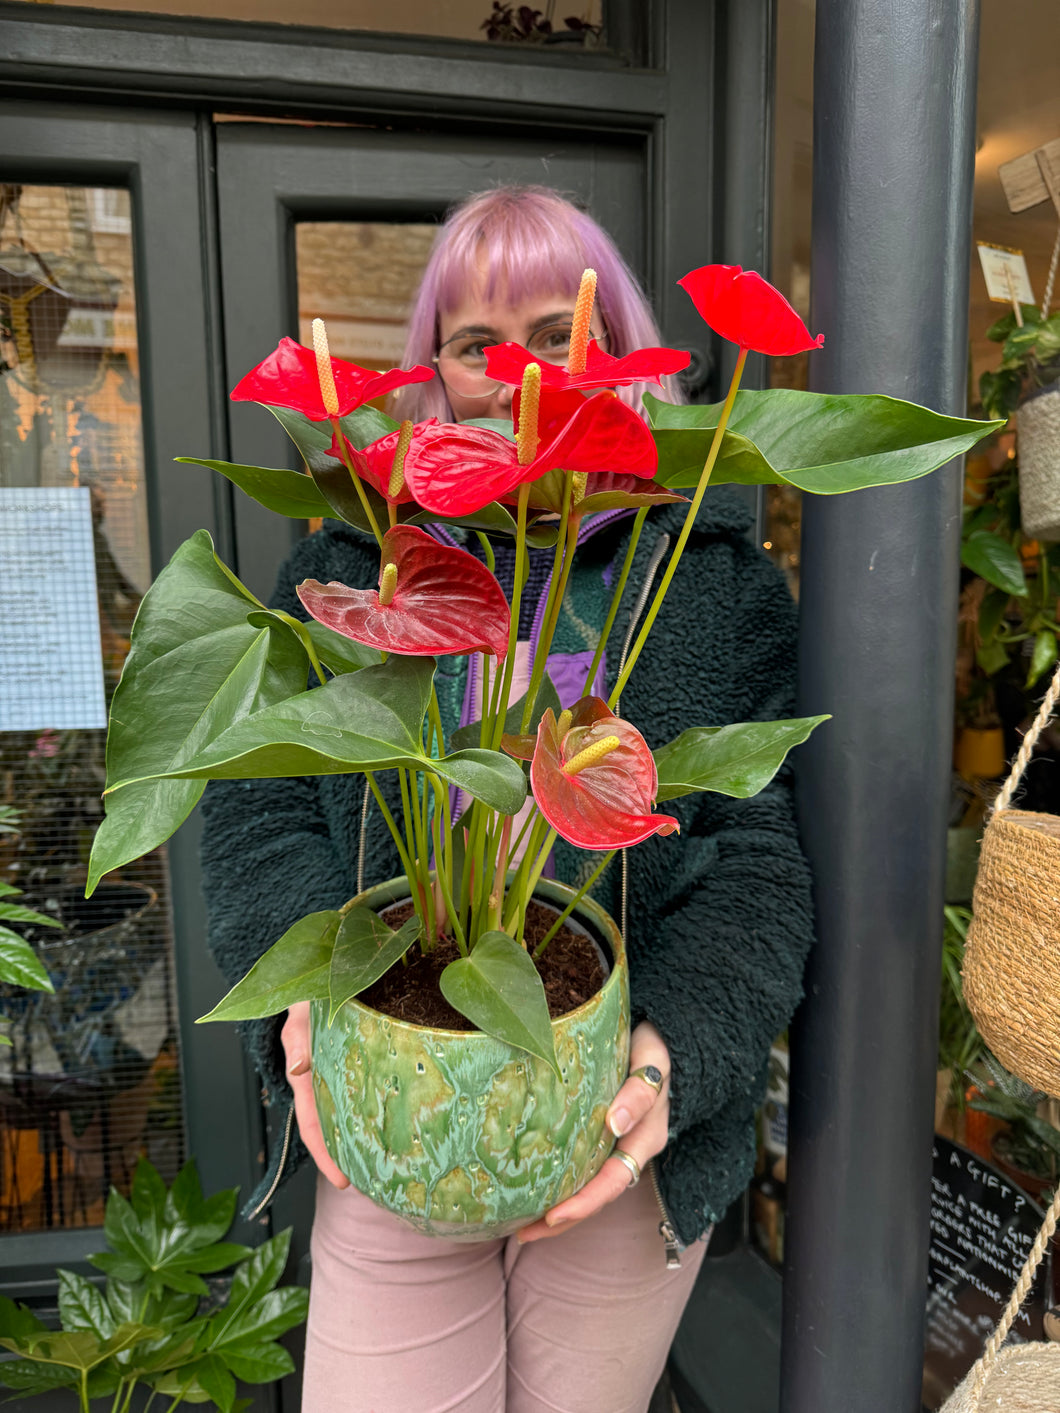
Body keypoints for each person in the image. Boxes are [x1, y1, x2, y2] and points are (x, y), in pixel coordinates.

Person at [200, 185, 814, 1413]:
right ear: (435, 370)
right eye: (478, 343)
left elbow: (757, 856)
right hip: (403, 1103)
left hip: (612, 1130)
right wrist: (316, 990)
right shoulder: (353, 556)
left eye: (556, 334)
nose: (516, 372)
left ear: (618, 346)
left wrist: (672, 1057)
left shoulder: (704, 577)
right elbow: (259, 810)